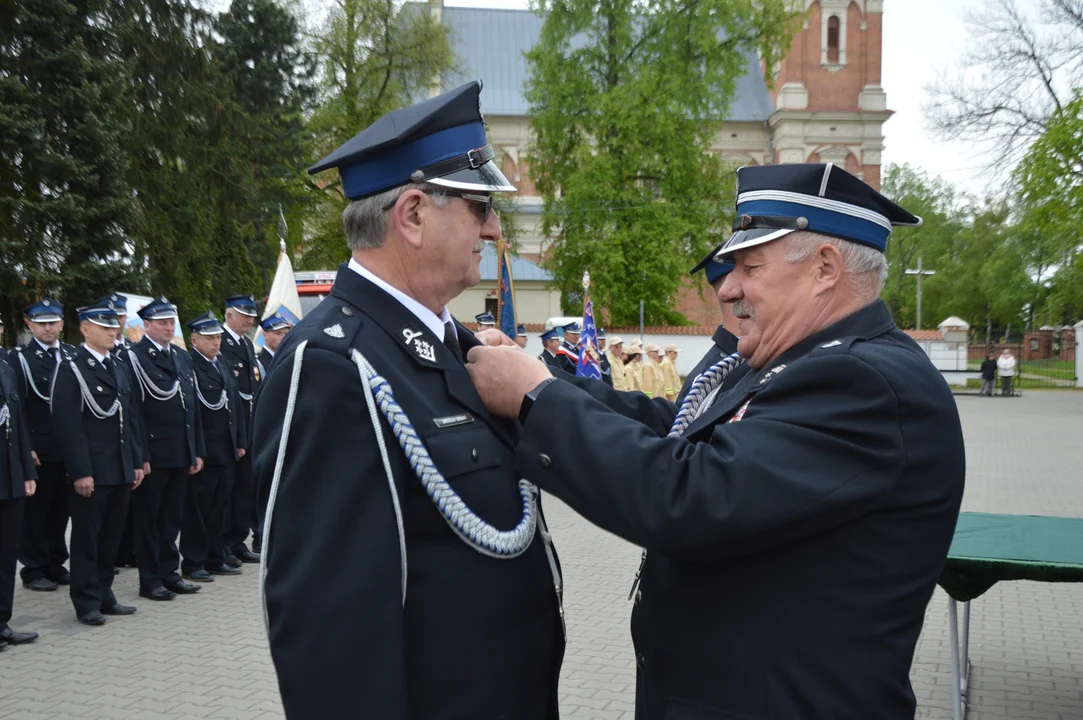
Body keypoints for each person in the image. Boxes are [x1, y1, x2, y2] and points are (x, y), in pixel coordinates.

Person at [465, 163, 965, 720]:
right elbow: (675, 427)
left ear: (825, 267)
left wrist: (537, 401)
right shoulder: (796, 360)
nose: (727, 288)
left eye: (750, 265)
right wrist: (540, 380)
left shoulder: (864, 382)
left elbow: (689, 492)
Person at [252, 81, 565, 718]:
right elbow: (329, 632)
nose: (494, 226)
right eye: (480, 207)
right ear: (414, 215)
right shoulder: (332, 364)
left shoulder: (448, 343)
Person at [52, 302, 145, 625]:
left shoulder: (116, 365)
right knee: (87, 539)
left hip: (119, 467)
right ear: (85, 329)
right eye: (104, 327)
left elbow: (130, 418)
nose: (112, 331)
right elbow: (68, 425)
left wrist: (135, 461)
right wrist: (81, 471)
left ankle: (105, 594)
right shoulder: (72, 368)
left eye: (113, 327)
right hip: (93, 470)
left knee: (110, 538)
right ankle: (86, 600)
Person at [126, 297, 204, 601]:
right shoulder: (134, 358)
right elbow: (133, 413)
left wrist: (196, 449)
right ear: (146, 325)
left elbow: (191, 409)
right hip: (154, 455)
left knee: (172, 519)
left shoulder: (182, 358)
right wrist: (140, 455)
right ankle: (150, 580)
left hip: (180, 451)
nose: (169, 328)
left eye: (171, 323)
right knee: (149, 521)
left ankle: (170, 573)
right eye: (162, 323)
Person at [12, 299, 75, 592]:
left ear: (62, 324)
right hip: (40, 448)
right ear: (30, 325)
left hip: (68, 448)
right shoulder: (21, 359)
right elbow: (18, 408)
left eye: (53, 322)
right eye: (41, 322)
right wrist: (27, 448)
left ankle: (55, 562)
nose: (48, 327)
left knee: (61, 510)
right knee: (36, 513)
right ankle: (34, 569)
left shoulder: (73, 355)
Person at [180, 312, 245, 583]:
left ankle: (216, 557)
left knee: (220, 508)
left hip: (227, 449)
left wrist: (240, 441)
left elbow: (236, 405)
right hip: (206, 450)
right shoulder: (189, 366)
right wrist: (196, 449)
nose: (216, 342)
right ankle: (194, 562)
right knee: (199, 510)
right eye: (209, 338)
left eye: (218, 337)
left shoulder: (224, 364)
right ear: (194, 339)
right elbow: (191, 413)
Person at [0, 342, 40, 647]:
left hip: (9, 475)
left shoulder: (5, 366)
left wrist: (27, 470)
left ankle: (2, 622)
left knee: (7, 552)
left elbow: (19, 423)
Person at [219, 294, 262, 563]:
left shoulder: (246, 344)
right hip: (229, 428)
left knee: (245, 488)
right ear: (229, 315)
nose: (249, 320)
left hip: (248, 426)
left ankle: (237, 540)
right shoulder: (219, 341)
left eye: (251, 316)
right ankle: (223, 542)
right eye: (244, 316)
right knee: (228, 489)